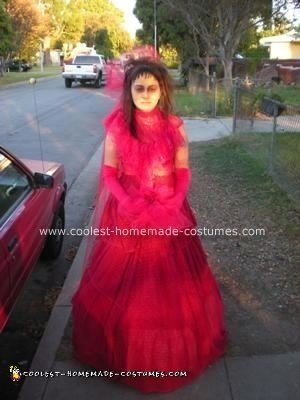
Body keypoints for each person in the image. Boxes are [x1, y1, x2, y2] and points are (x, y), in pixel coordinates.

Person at [72, 57, 227, 393]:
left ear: (162, 90)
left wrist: (172, 202)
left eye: (151, 88)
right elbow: (109, 173)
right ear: (129, 91)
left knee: (171, 284)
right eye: (138, 87)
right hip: (127, 213)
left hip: (169, 211)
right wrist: (127, 203)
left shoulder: (174, 125)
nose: (145, 93)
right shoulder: (118, 126)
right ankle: (127, 352)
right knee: (126, 284)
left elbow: (183, 170)